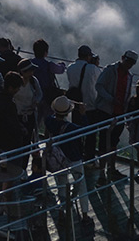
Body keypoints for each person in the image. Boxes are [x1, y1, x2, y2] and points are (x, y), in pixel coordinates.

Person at [91, 50, 138, 182]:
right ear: (123, 58)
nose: (130, 64)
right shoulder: (110, 70)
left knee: (113, 142)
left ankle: (110, 169)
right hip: (105, 111)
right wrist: (110, 99)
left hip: (119, 112)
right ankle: (102, 172)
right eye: (129, 61)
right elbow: (98, 86)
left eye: (132, 63)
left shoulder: (129, 75)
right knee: (104, 141)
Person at [46, 95, 92, 227]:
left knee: (61, 185)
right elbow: (86, 130)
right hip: (74, 158)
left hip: (58, 159)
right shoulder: (71, 127)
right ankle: (84, 215)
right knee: (81, 185)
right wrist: (83, 115)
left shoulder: (49, 121)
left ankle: (62, 213)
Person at [14, 59, 44, 141]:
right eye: (30, 71)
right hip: (17, 115)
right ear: (23, 72)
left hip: (30, 115)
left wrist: (36, 101)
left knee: (28, 137)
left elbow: (39, 93)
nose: (32, 73)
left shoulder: (33, 81)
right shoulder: (15, 82)